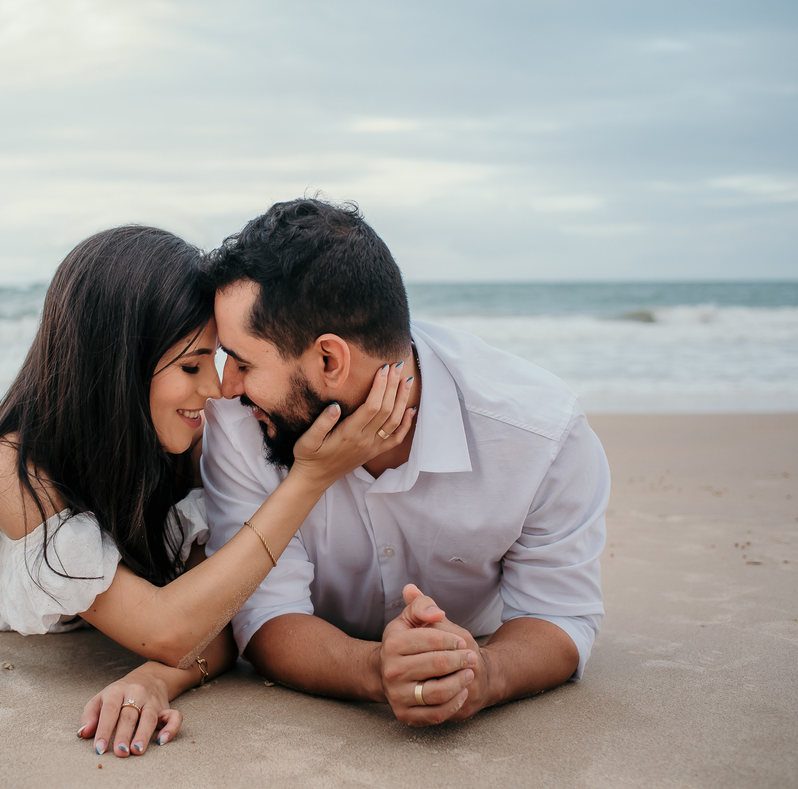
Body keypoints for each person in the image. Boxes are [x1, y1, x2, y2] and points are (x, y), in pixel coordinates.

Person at [0, 225, 416, 756]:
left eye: (220, 360)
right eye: (193, 365)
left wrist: (157, 680)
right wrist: (311, 477)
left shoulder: (189, 438)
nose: (218, 389)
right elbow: (170, 628)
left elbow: (216, 616)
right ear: (119, 365)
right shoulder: (10, 470)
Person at [200, 198, 609, 726]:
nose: (225, 385)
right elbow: (263, 613)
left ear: (329, 360)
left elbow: (559, 614)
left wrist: (484, 673)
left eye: (242, 362)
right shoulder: (239, 422)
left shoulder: (538, 434)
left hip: (475, 640)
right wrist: (375, 668)